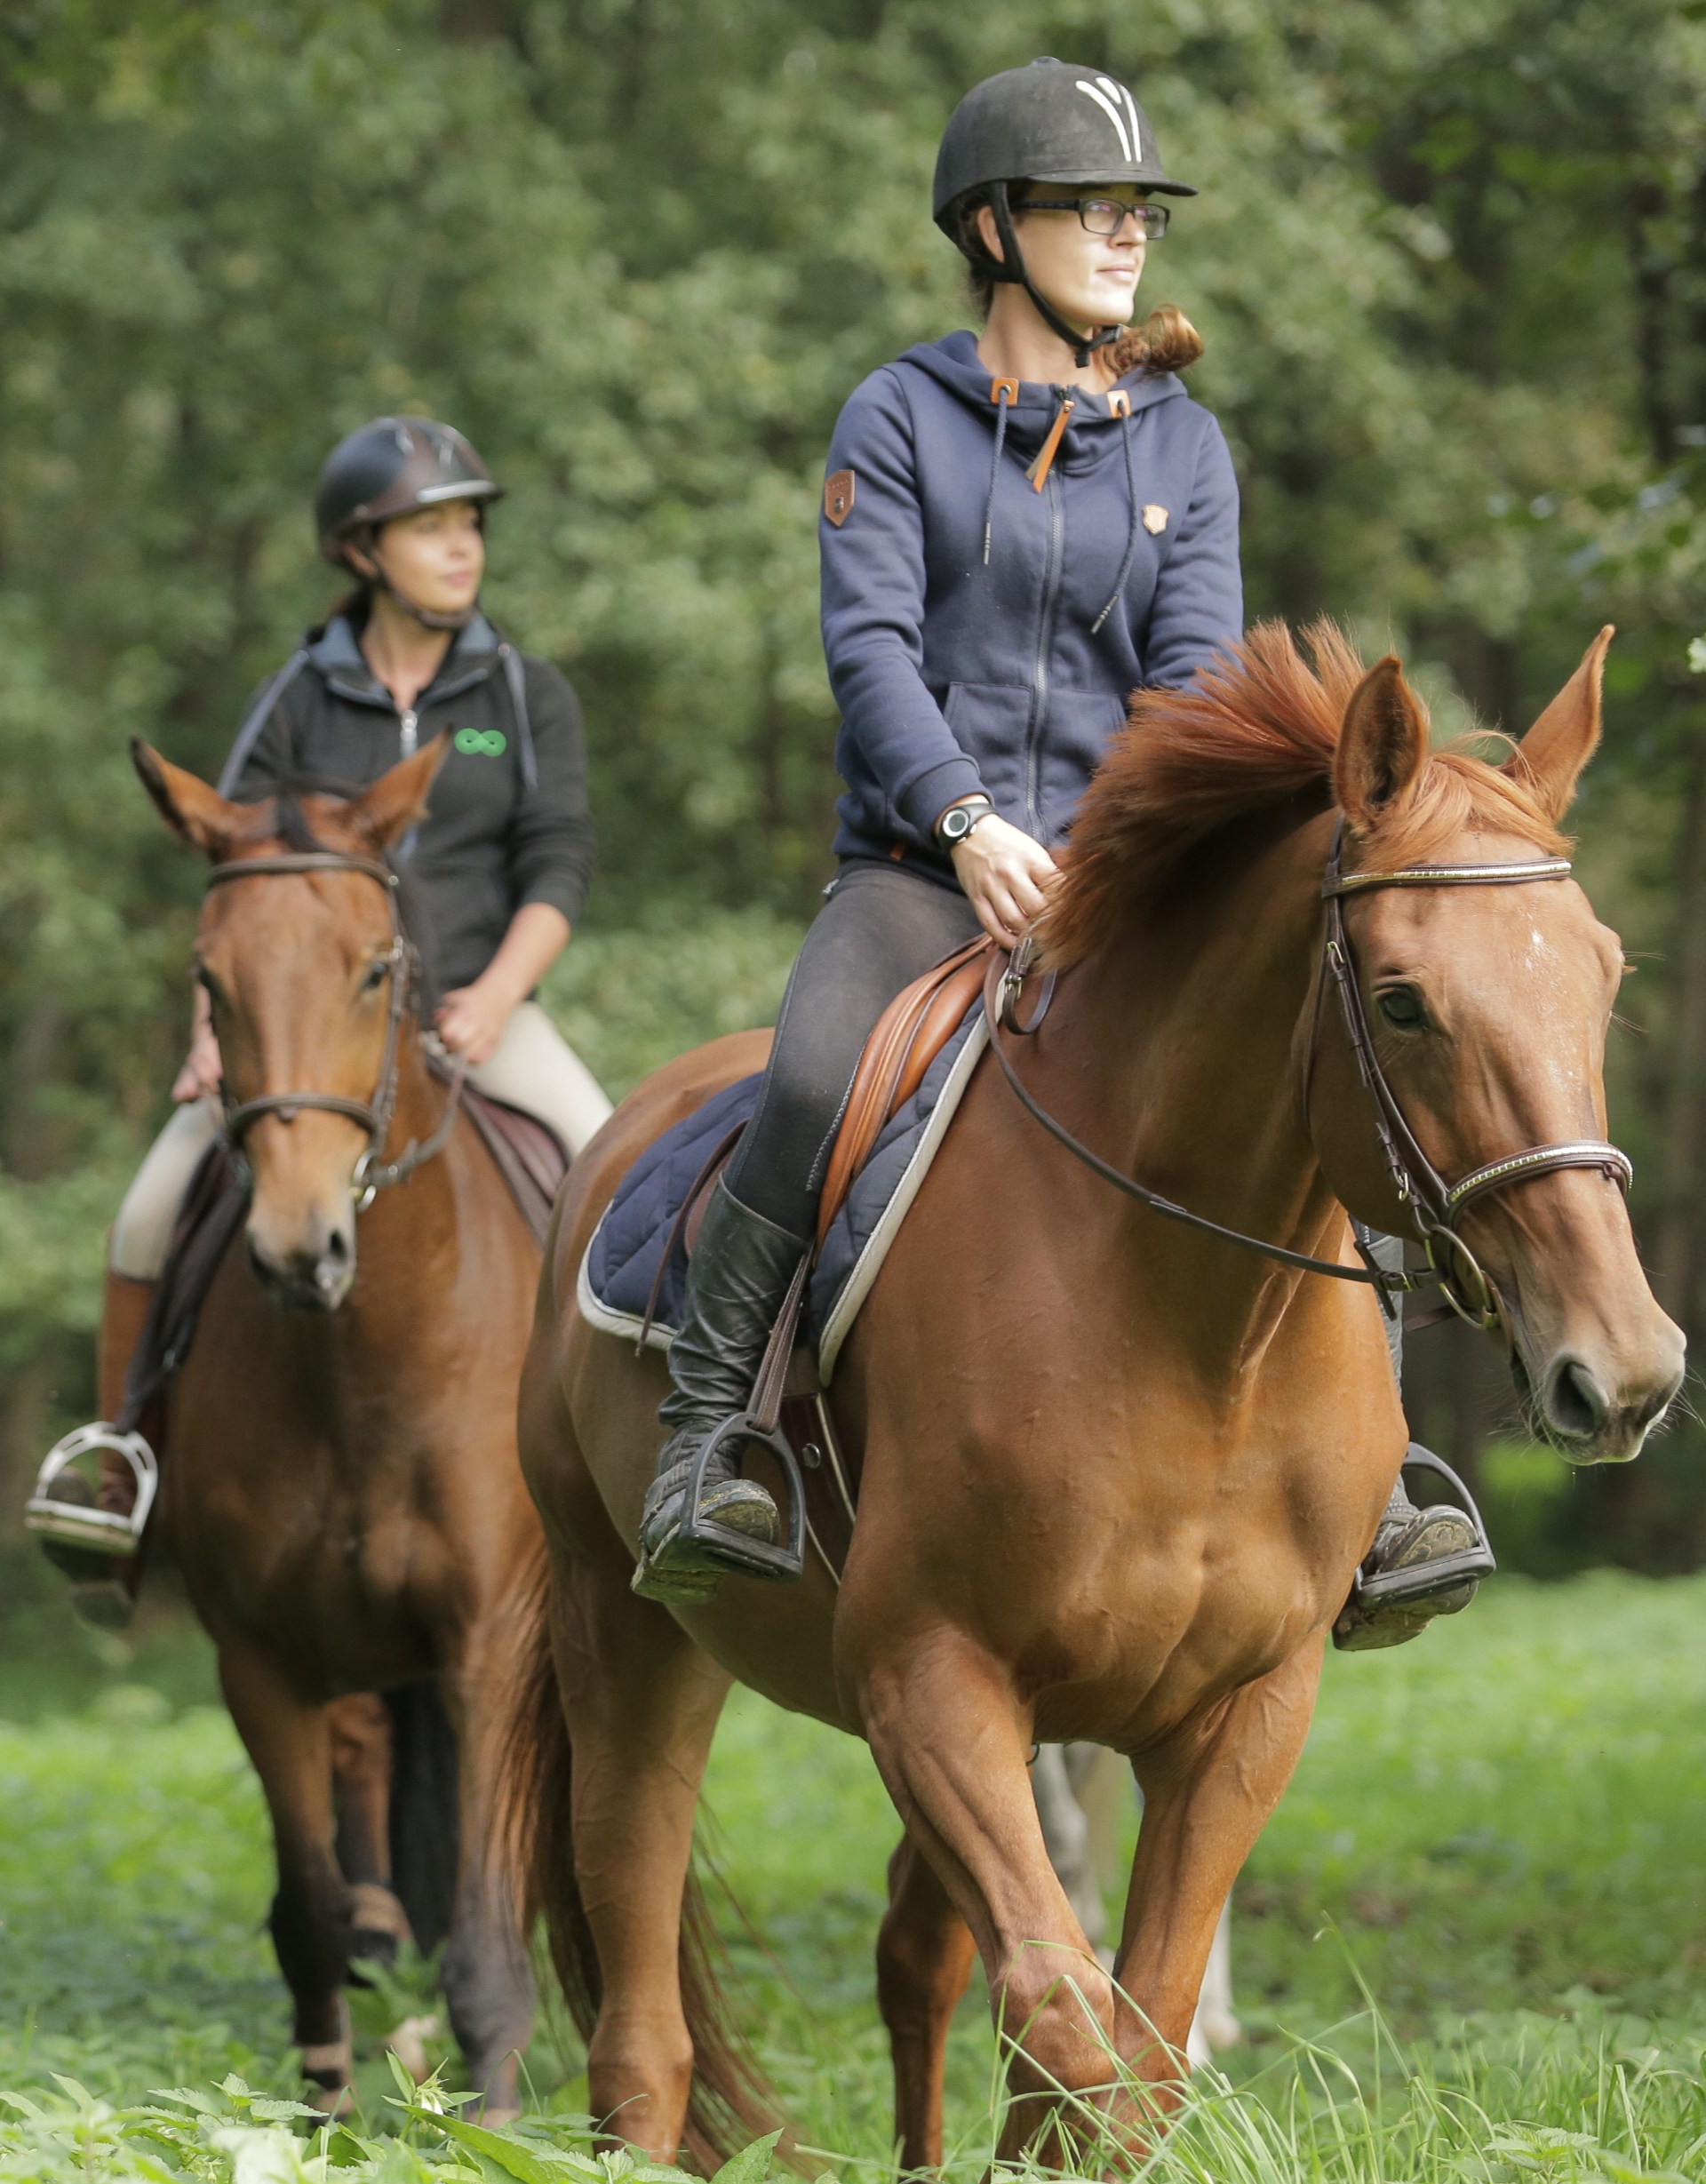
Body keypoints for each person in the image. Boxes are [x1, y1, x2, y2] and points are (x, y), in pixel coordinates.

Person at [633, 57, 1493, 1646]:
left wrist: (1103, 860)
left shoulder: (1183, 448)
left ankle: (1382, 1477)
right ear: (991, 224)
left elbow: (1188, 685)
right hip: (915, 871)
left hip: (1121, 889)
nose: (1127, 235)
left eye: (1138, 213)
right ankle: (710, 1442)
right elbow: (872, 650)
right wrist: (964, 823)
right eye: (1090, 209)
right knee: (816, 1078)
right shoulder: (895, 415)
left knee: (1317, 1072)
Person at [43, 417, 611, 1552]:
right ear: (360, 551)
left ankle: (636, 1473)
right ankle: (120, 1470)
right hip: (309, 1033)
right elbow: (234, 877)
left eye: (469, 525)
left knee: (614, 1174)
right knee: (151, 1206)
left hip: (476, 1016)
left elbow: (558, 863)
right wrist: (212, 1033)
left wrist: (499, 994)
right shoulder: (297, 695)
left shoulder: (518, 694)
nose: (463, 549)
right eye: (429, 528)